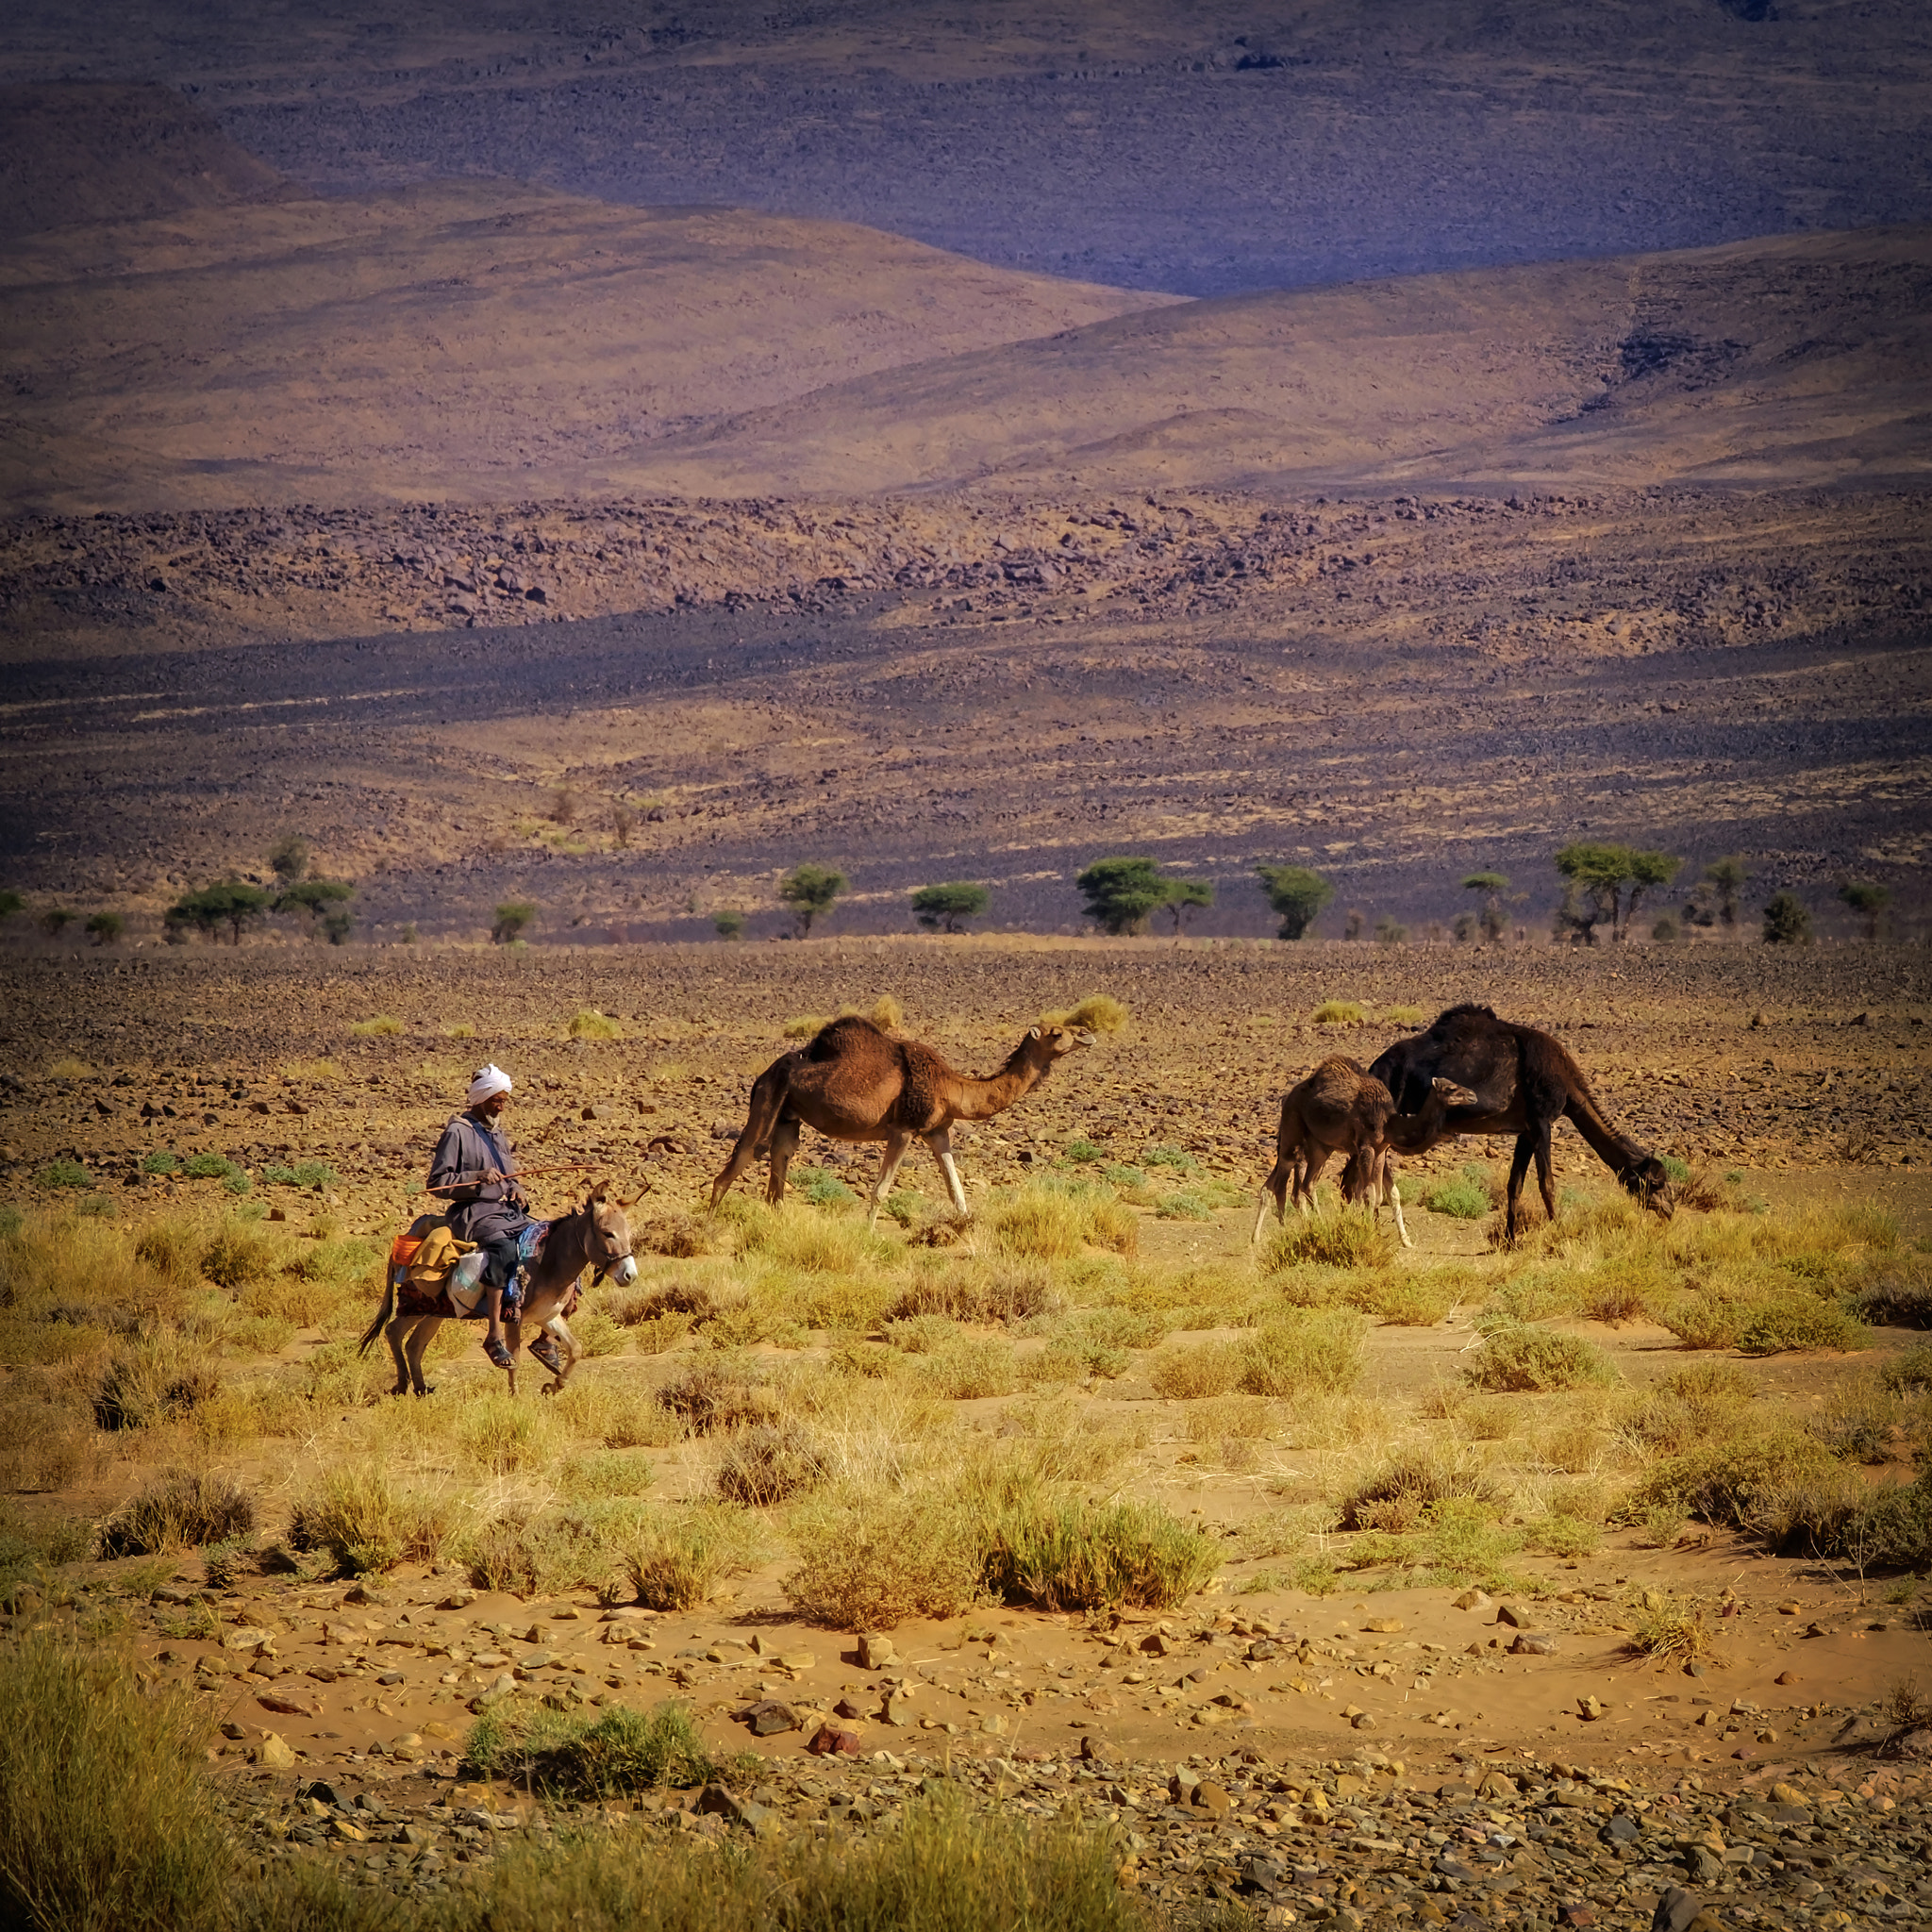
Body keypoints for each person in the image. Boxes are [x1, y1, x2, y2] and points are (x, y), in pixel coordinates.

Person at [428, 1064, 532, 1367]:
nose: (500, 1106)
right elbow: (437, 1183)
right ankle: (494, 1335)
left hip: (502, 1208)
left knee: (542, 1235)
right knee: (502, 1247)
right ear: (480, 1098)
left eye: (503, 1101)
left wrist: (516, 1189)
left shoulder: (497, 1132)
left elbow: (509, 1176)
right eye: (496, 1101)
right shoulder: (457, 1132)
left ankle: (542, 1330)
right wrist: (476, 1177)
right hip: (470, 1212)